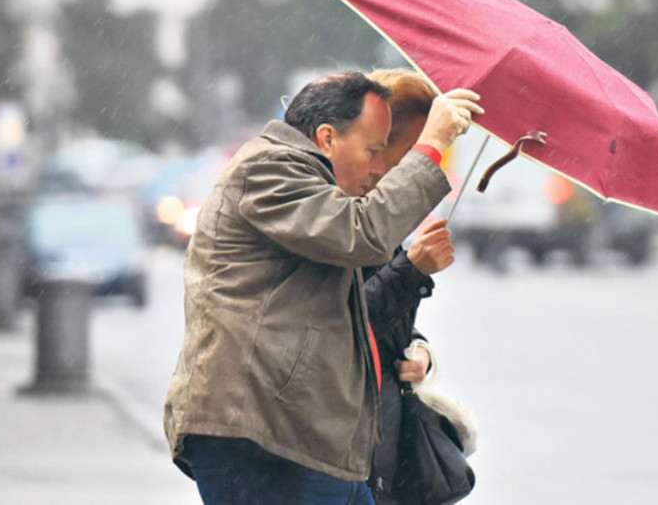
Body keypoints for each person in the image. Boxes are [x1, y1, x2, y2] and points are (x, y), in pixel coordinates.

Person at [164, 71, 483, 505]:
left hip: (306, 439)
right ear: (327, 138)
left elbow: (348, 315)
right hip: (267, 436)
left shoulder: (322, 191)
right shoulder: (270, 168)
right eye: (375, 151)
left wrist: (419, 346)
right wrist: (434, 144)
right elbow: (363, 236)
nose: (379, 168)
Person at [361, 69, 454, 503]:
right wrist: (413, 270)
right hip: (345, 444)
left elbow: (389, 326)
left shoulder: (384, 215)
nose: (428, 163)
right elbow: (343, 323)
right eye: (420, 149)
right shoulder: (345, 211)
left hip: (381, 437)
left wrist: (420, 352)